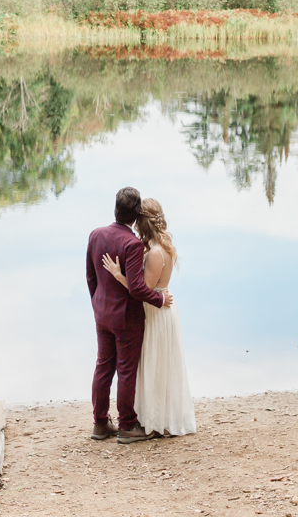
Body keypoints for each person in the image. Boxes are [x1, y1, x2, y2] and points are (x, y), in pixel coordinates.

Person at [101, 197, 196, 437]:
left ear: (143, 222)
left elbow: (141, 290)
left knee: (154, 364)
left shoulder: (155, 252)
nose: (134, 226)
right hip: (162, 307)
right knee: (158, 363)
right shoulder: (162, 245)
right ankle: (156, 417)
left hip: (156, 311)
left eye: (137, 222)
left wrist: (117, 274)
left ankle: (154, 422)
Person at [85, 187, 171, 444]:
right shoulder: (132, 244)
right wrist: (159, 299)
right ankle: (126, 426)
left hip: (102, 313)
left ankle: (100, 424)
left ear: (115, 208)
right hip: (126, 318)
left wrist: (97, 303)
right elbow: (137, 287)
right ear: (135, 216)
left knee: (103, 367)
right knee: (125, 370)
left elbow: (90, 276)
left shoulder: (96, 234)